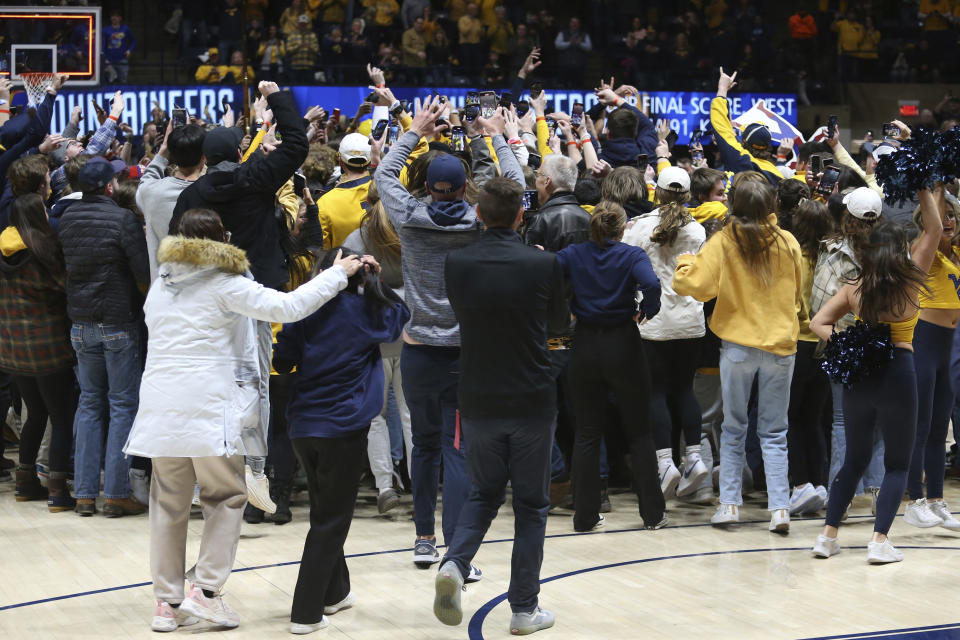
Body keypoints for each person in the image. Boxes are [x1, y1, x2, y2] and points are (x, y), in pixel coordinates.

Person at [123, 208, 361, 632]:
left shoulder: (161, 285)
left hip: (161, 410)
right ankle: (207, 592)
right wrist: (338, 273)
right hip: (209, 410)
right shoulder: (226, 284)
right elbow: (290, 306)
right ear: (223, 239)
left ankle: (167, 602)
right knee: (226, 498)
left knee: (167, 505)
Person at [374, 96, 524, 567]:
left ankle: (423, 539)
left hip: (418, 350)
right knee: (459, 453)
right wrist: (492, 134)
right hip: (464, 355)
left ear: (429, 189)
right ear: (464, 191)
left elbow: (383, 176)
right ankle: (457, 553)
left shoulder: (410, 219)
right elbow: (515, 185)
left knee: (424, 445)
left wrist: (414, 129)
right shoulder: (480, 222)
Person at [434, 177, 566, 636]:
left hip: (477, 395)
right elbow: (559, 322)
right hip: (531, 395)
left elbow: (460, 313)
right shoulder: (543, 263)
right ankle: (524, 610)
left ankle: (454, 564)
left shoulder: (457, 263)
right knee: (530, 506)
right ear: (519, 216)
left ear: (478, 214)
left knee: (483, 494)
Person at [275, 249, 408, 635]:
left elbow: (283, 362)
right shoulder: (364, 312)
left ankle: (335, 592)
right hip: (343, 428)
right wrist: (376, 283)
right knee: (332, 521)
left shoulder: (303, 311)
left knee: (324, 512)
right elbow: (400, 316)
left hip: (303, 427)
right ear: (361, 278)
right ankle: (305, 613)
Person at [810, 186, 942, 564]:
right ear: (901, 249)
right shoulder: (911, 279)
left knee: (854, 459)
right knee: (898, 463)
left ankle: (827, 536)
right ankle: (879, 541)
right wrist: (922, 188)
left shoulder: (856, 288)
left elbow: (818, 321)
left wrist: (851, 343)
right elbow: (932, 230)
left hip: (862, 374)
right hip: (899, 373)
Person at [674, 180, 803, 533]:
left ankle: (729, 505)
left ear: (734, 204)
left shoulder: (723, 241)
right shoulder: (787, 241)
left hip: (737, 348)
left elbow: (695, 288)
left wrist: (686, 262)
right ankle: (779, 510)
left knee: (733, 428)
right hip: (780, 346)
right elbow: (798, 293)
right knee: (775, 432)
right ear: (770, 203)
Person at [557, 201, 665, 532]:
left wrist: (564, 315)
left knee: (587, 433)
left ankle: (585, 516)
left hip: (585, 344)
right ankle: (652, 514)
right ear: (623, 228)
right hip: (623, 343)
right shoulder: (632, 256)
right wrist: (649, 309)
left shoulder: (572, 255)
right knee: (639, 432)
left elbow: (548, 281)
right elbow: (652, 285)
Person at [59, 157, 150, 517]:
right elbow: (142, 270)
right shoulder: (123, 218)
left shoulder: (66, 217)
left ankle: (84, 494)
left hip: (79, 323)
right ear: (110, 187)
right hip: (117, 322)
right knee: (123, 405)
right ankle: (115, 493)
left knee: (90, 405)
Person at [622, 167, 707, 501]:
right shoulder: (698, 231)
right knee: (685, 390)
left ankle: (665, 463)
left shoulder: (639, 227)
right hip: (690, 323)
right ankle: (695, 458)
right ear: (687, 197)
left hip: (652, 323)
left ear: (656, 192)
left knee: (655, 393)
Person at [0, 194, 77, 512]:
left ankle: (24, 482)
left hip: (12, 348)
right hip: (48, 347)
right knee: (61, 418)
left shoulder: (4, 253)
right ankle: (57, 491)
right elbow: (66, 288)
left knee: (35, 414)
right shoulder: (43, 253)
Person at [343, 185, 412, 514]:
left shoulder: (358, 239)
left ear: (366, 202)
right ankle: (420, 483)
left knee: (375, 416)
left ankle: (385, 486)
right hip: (410, 331)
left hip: (372, 335)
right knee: (411, 415)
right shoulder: (411, 229)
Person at [903, 198, 960, 530]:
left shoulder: (955, 255)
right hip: (924, 340)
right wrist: (935, 187)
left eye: (954, 216)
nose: (948, 221)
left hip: (949, 346)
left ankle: (937, 500)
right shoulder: (925, 251)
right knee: (921, 426)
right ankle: (914, 499)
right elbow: (934, 222)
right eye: (944, 216)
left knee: (941, 430)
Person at [785, 196, 834, 515]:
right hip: (826, 342)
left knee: (790, 417)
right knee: (815, 418)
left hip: (800, 342)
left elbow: (791, 303)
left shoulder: (793, 259)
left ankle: (800, 484)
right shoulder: (831, 259)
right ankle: (820, 484)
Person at [137, 122, 205, 280]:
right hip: (203, 295)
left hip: (163, 294)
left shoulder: (150, 193)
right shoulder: (212, 192)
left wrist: (163, 150)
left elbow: (148, 177)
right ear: (204, 156)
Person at [711, 68, 781, 185]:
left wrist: (722, 89)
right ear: (767, 146)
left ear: (743, 142)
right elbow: (729, 131)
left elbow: (721, 125)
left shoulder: (740, 159)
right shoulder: (775, 173)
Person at [316, 133, 373, 249]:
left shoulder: (325, 203)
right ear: (369, 160)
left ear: (340, 161)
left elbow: (321, 252)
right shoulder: (388, 189)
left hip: (346, 265)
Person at [102, 11, 136, 83]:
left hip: (122, 59)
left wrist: (129, 50)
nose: (114, 18)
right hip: (109, 59)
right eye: (113, 16)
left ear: (120, 18)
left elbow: (133, 41)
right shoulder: (105, 30)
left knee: (123, 80)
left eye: (116, 16)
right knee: (110, 80)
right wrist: (104, 58)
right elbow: (102, 45)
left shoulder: (125, 29)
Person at [287, 15, 320, 83]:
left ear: (307, 25)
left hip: (309, 66)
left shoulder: (312, 35)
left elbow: (316, 50)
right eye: (301, 24)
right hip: (295, 66)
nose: (303, 26)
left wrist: (309, 47)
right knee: (295, 88)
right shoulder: (292, 36)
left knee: (309, 87)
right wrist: (298, 47)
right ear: (298, 24)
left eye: (304, 24)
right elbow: (288, 50)